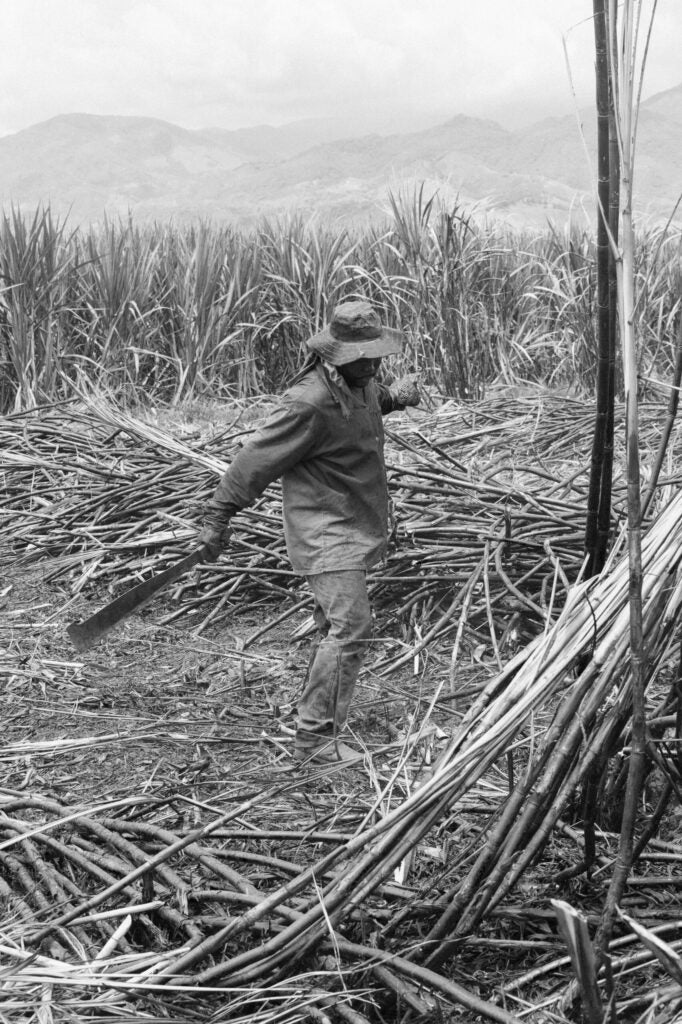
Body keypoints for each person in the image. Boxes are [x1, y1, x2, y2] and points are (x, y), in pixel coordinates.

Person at [198, 299, 420, 765]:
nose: (375, 364)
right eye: (365, 358)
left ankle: (315, 715)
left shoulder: (358, 382)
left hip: (355, 522)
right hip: (325, 531)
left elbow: (370, 404)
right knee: (352, 628)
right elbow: (254, 460)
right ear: (336, 355)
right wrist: (218, 517)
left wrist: (397, 397)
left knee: (333, 629)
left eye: (378, 355)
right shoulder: (307, 402)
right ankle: (314, 741)